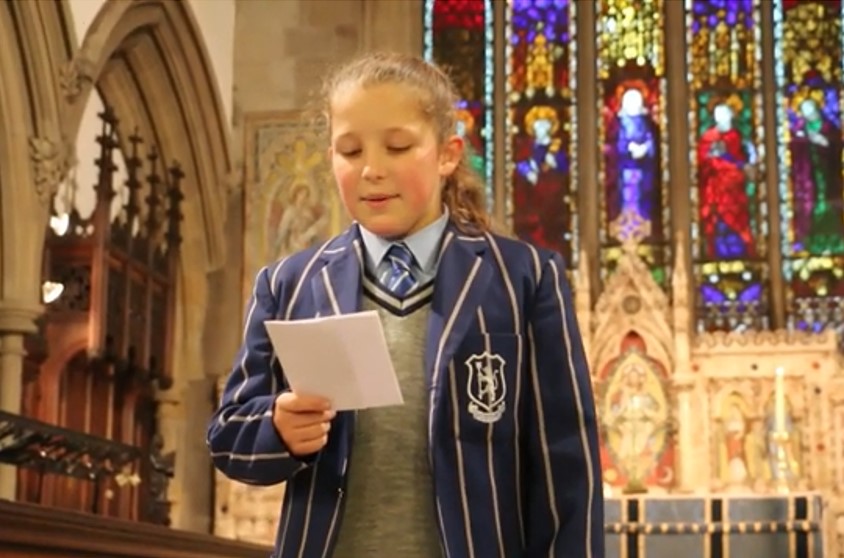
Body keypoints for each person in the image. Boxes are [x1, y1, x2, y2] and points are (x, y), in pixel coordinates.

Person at [207, 51, 604, 558]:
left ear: (447, 154)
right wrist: (277, 428)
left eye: (397, 146)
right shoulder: (290, 284)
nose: (372, 169)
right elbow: (227, 436)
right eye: (349, 151)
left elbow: (565, 465)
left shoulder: (523, 279)